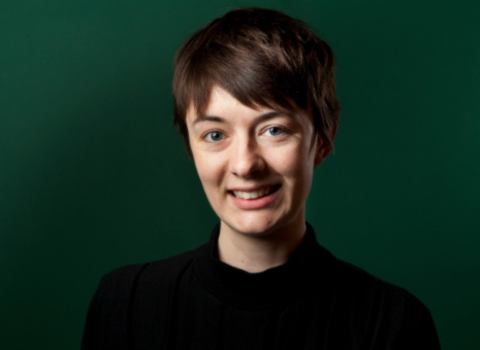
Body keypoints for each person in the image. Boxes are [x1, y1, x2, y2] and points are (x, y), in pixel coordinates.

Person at [82, 7, 440, 350]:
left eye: (273, 130)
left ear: (323, 139)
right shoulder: (123, 305)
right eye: (215, 135)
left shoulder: (394, 325)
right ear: (191, 148)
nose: (245, 164)